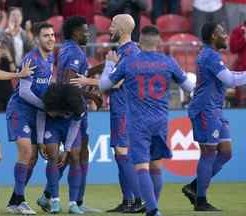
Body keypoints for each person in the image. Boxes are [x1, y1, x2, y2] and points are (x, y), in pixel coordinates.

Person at [98, 25, 195, 216]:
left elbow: (103, 86)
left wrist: (110, 63)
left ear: (139, 42)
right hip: (160, 121)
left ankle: (152, 210)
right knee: (157, 166)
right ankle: (153, 207)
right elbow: (189, 86)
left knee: (141, 166)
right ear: (158, 41)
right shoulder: (169, 62)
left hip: (138, 122)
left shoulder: (129, 63)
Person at [70, 14, 143, 213]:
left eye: (112, 25)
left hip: (125, 110)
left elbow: (117, 81)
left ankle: (139, 200)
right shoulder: (125, 50)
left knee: (122, 153)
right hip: (121, 108)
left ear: (122, 28)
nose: (109, 28)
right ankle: (128, 201)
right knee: (119, 154)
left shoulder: (129, 52)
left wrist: (87, 81)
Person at [183, 22, 246, 211]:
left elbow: (229, 77)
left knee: (226, 152)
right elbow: (230, 80)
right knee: (209, 152)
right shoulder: (209, 56)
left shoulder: (212, 55)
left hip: (215, 110)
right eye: (222, 32)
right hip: (205, 110)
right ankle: (201, 200)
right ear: (212, 36)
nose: (226, 36)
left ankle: (194, 187)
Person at [5, 22, 55, 215]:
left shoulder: (50, 60)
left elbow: (43, 97)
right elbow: (24, 92)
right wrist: (47, 106)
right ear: (36, 39)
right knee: (26, 151)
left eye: (52, 35)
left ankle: (14, 200)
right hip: (19, 110)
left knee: (32, 158)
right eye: (45, 35)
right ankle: (20, 200)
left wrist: (41, 137)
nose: (50, 38)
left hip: (36, 114)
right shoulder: (30, 59)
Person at [53, 16, 98, 214]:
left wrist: (100, 68)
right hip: (74, 110)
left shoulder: (67, 49)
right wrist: (91, 96)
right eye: (84, 30)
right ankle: (73, 202)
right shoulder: (75, 53)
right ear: (74, 32)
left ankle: (70, 199)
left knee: (78, 154)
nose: (88, 34)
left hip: (72, 107)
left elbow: (74, 78)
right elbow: (71, 84)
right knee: (77, 155)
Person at [37, 83, 86, 214]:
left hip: (69, 127)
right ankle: (55, 200)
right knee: (52, 156)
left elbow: (75, 126)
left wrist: (67, 149)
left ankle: (73, 203)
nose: (50, 113)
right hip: (52, 126)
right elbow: (41, 117)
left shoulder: (78, 105)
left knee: (75, 157)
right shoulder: (48, 97)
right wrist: (40, 141)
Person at [229, 21, 246, 106]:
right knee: (242, 102)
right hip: (243, 72)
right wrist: (244, 38)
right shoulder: (238, 31)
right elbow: (233, 49)